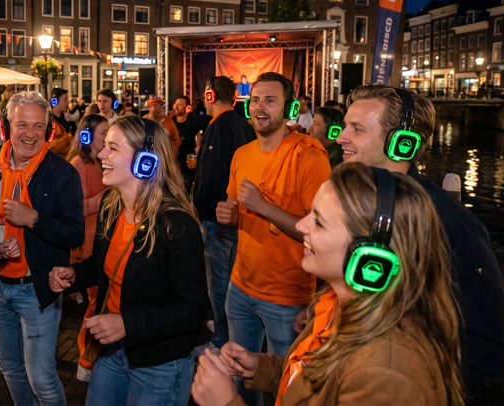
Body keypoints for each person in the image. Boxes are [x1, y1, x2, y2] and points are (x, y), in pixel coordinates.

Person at [192, 163, 464, 406]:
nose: (301, 226)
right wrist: (261, 368)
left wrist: (226, 402)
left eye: (319, 222)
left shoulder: (386, 373)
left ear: (370, 258)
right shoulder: (337, 307)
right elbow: (314, 380)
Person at [337, 84, 504, 394]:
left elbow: (490, 347)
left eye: (356, 129)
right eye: (344, 126)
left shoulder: (449, 223)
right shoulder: (356, 201)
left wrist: (407, 386)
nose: (340, 137)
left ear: (401, 143)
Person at [49, 116, 209, 406]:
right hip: (113, 352)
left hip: (158, 363)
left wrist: (127, 324)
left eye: (113, 148)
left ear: (145, 161)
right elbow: (103, 264)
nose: (100, 154)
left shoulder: (176, 225)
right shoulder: (112, 206)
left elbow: (194, 309)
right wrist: (74, 275)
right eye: (104, 146)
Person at [217, 72, 331, 406]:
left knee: (287, 386)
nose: (260, 108)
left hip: (288, 297)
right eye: (255, 100)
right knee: (242, 376)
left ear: (288, 108)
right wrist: (232, 214)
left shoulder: (309, 157)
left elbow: (320, 230)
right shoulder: (242, 154)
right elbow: (239, 210)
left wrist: (263, 207)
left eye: (270, 100)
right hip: (240, 287)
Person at [0, 91, 84, 406]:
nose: (30, 134)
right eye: (22, 125)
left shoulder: (63, 173)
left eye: (38, 126)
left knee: (42, 377)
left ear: (48, 130)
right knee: (9, 368)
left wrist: (35, 220)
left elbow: (75, 234)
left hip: (36, 289)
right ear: (6, 127)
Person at [191, 76, 255, 352]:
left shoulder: (218, 127)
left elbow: (210, 175)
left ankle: (221, 337)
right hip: (239, 214)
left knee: (217, 280)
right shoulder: (244, 125)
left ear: (210, 95)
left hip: (217, 215)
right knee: (232, 276)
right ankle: (227, 326)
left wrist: (196, 208)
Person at [66, 113, 109, 382]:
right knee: (95, 304)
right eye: (104, 132)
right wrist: (105, 198)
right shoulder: (77, 165)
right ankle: (85, 360)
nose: (108, 136)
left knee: (103, 304)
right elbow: (75, 210)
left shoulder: (104, 161)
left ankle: (97, 359)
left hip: (104, 240)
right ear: (87, 136)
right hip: (89, 244)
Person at [48, 87, 73, 159]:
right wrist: (68, 138)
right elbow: (50, 148)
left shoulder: (63, 120)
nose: (68, 102)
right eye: (65, 99)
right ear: (54, 101)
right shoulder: (48, 123)